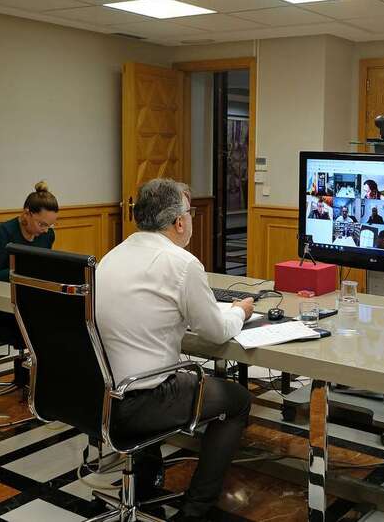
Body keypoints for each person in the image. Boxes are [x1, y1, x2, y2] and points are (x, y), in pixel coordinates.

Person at [96, 179, 255, 522]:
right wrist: (240, 311)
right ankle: (195, 510)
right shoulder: (182, 264)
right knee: (237, 400)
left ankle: (146, 477)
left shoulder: (110, 258)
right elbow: (215, 334)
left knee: (163, 368)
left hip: (101, 393)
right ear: (179, 222)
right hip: (143, 399)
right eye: (190, 213)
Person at [0, 181, 58, 282]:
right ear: (26, 213)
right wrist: (25, 269)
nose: (46, 230)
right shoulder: (3, 233)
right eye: (42, 224)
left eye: (50, 225)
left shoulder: (48, 235)